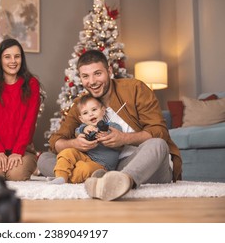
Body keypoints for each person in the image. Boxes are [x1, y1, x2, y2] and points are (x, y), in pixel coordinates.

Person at [38, 49, 182, 200]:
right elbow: (56, 141)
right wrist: (76, 143)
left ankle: (120, 181)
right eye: (85, 76)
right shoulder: (82, 105)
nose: (92, 82)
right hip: (100, 166)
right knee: (44, 159)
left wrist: (124, 138)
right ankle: (103, 179)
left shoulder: (135, 89)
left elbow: (159, 131)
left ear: (109, 71)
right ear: (80, 77)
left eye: (98, 73)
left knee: (158, 144)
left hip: (141, 164)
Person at [0, 38, 40, 181]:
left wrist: (17, 151)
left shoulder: (32, 84)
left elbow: (29, 122)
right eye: (7, 57)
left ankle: (29, 165)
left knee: (16, 175)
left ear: (22, 59)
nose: (13, 61)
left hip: (23, 149)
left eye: (17, 56)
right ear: (0, 60)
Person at [50, 94, 122, 184]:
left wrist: (107, 135)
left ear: (103, 110)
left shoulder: (113, 127)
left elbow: (119, 139)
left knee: (84, 168)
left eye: (94, 110)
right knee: (67, 152)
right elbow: (77, 131)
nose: (91, 114)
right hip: (84, 156)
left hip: (102, 165)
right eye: (85, 113)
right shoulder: (84, 127)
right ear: (82, 119)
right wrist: (84, 129)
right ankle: (60, 176)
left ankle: (66, 178)